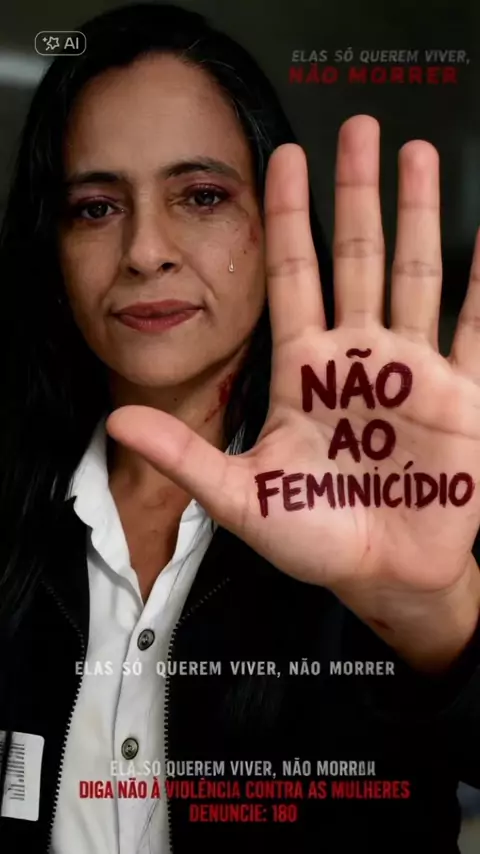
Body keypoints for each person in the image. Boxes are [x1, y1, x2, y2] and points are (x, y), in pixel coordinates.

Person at [0, 3, 479, 853]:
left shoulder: (386, 486)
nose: (146, 250)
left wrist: (435, 616)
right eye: (97, 208)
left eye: (202, 196)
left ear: (271, 223)